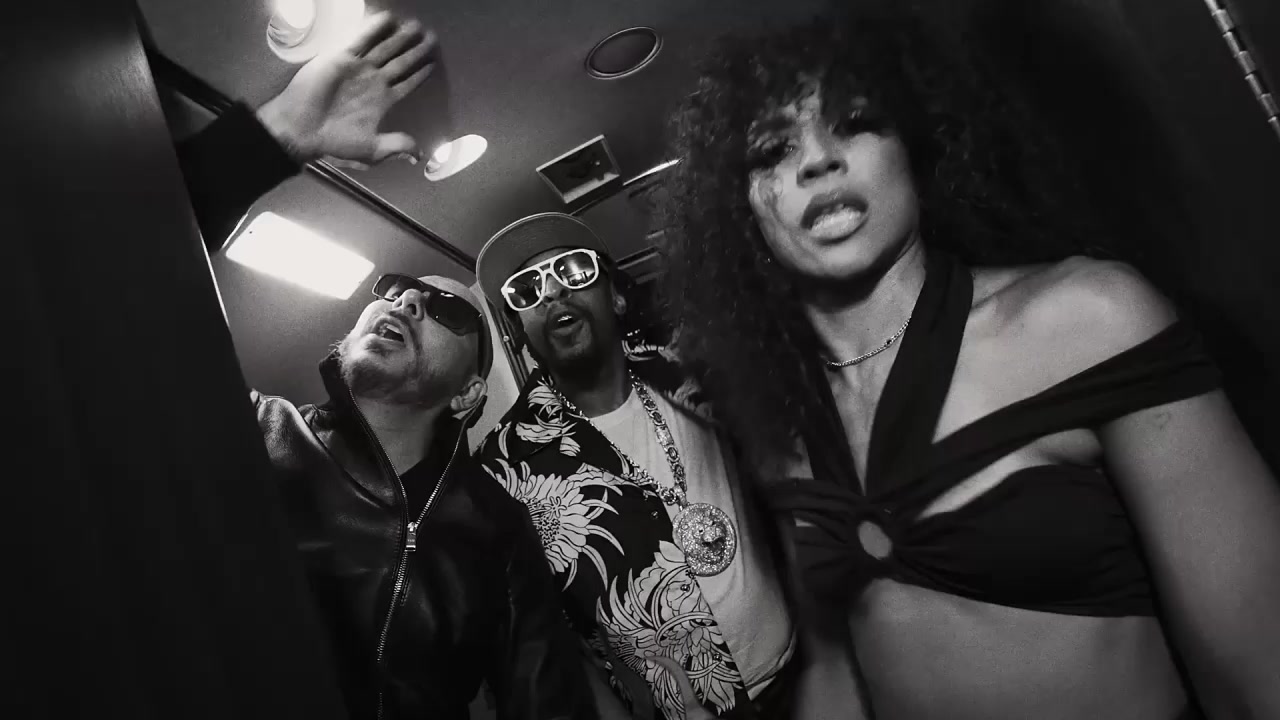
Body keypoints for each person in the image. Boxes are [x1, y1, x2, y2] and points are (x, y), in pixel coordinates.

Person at [656, 2, 1280, 719]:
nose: (819, 159)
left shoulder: (1088, 318)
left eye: (856, 122)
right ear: (744, 216)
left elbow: (1259, 656)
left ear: (917, 150)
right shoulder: (782, 421)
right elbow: (835, 664)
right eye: (772, 151)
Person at [172, 13, 592, 720]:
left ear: (468, 395)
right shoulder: (254, 432)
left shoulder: (494, 528)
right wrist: (272, 138)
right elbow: (114, 283)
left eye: (447, 309)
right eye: (395, 289)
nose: (407, 301)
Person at [472, 213, 797, 720]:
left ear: (616, 297)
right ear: (519, 329)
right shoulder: (501, 469)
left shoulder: (698, 373)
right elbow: (549, 638)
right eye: (526, 289)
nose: (552, 292)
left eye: (573, 269)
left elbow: (787, 486)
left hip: (807, 668)